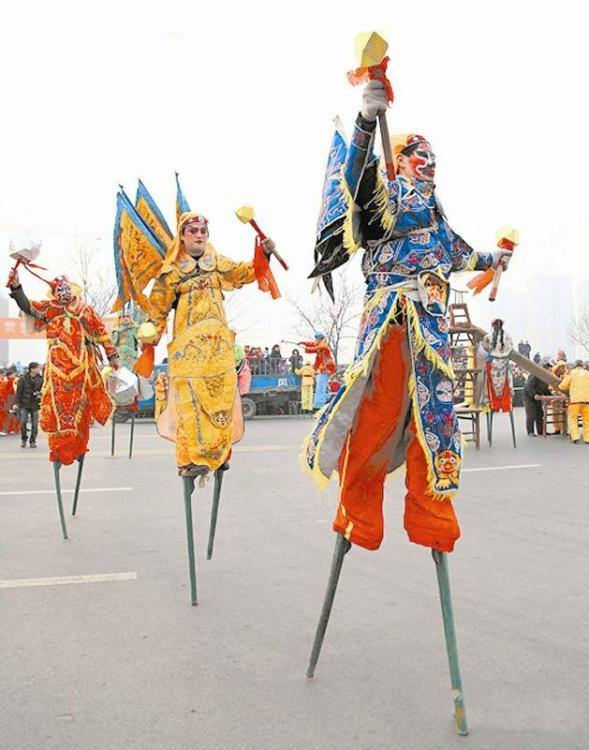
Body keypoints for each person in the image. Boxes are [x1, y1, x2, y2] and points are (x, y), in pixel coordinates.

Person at [305, 79, 510, 553]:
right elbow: (357, 182)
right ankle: (358, 514)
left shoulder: (435, 215)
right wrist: (365, 121)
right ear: (399, 160)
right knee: (377, 420)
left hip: (433, 338)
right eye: (421, 154)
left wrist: (494, 259)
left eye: (435, 156)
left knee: (437, 425)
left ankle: (432, 517)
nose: (431, 162)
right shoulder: (388, 199)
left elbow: (461, 254)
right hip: (393, 328)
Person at [145, 212, 276, 478]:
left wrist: (264, 254)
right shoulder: (170, 273)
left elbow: (245, 272)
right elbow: (157, 309)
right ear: (182, 236)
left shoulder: (217, 263)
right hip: (188, 351)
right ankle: (189, 460)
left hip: (218, 349)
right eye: (192, 230)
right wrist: (148, 337)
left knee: (221, 400)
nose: (199, 234)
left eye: (203, 230)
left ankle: (220, 454)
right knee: (189, 405)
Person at [8, 270, 118, 464]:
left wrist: (112, 355)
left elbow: (101, 332)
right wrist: (17, 288)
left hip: (82, 367)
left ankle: (80, 447)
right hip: (57, 369)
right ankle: (59, 450)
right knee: (57, 409)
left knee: (82, 409)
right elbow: (28, 306)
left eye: (66, 288)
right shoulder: (50, 309)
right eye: (59, 290)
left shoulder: (85, 310)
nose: (64, 293)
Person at [481, 319, 513, 412]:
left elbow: (485, 347)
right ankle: (505, 405)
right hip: (504, 362)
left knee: (490, 384)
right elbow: (510, 348)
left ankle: (493, 405)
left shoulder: (488, 336)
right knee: (506, 384)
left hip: (492, 362)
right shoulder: (508, 336)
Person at [299, 332, 336, 410]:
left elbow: (315, 348)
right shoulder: (320, 344)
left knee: (321, 387)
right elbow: (312, 344)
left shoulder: (323, 345)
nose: (315, 340)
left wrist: (306, 348)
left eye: (316, 339)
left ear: (320, 339)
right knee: (320, 387)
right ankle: (319, 404)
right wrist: (303, 343)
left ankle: (319, 405)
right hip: (323, 369)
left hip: (326, 368)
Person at [558, 360, 589, 443]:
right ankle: (587, 438)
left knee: (572, 419)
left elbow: (563, 386)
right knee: (587, 420)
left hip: (575, 401)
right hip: (587, 401)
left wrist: (559, 385)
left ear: (575, 366)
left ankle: (575, 437)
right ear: (582, 366)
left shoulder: (572, 373)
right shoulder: (587, 373)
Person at [15, 361, 43, 448]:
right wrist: (16, 403)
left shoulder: (41, 379)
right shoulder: (23, 378)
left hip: (35, 404)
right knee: (23, 422)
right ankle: (24, 438)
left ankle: (33, 440)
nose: (39, 369)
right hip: (24, 404)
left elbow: (44, 390)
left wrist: (40, 394)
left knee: (35, 424)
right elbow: (18, 392)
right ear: (32, 369)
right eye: (38, 368)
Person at [523, 361, 551, 436]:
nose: (548, 369)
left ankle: (541, 431)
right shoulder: (535, 375)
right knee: (531, 414)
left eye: (548, 367)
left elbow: (545, 389)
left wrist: (550, 395)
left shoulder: (546, 377)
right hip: (529, 396)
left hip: (538, 396)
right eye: (546, 367)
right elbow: (529, 386)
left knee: (539, 414)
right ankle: (530, 431)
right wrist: (534, 395)